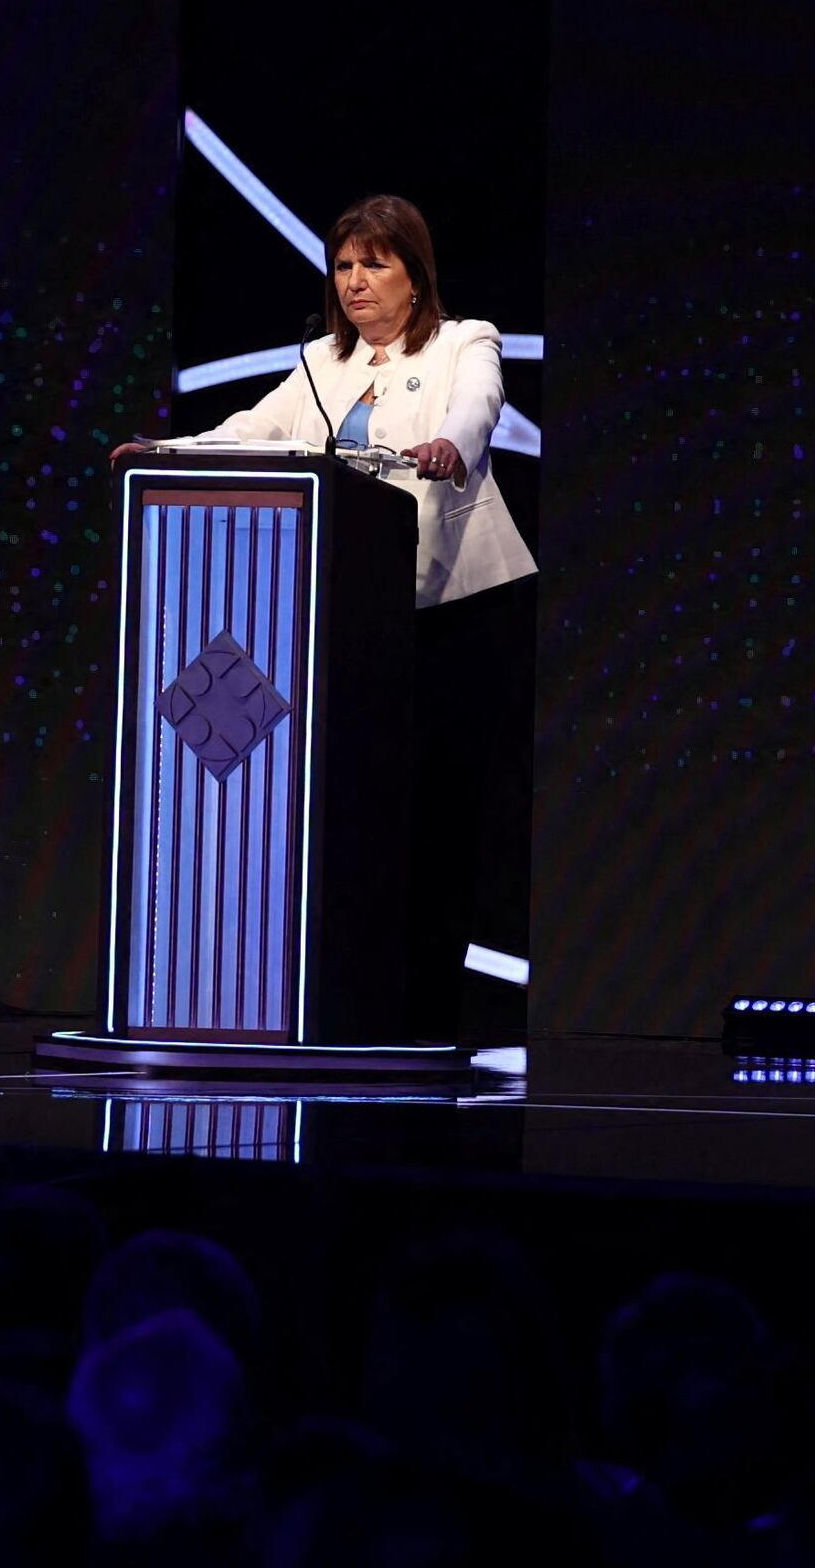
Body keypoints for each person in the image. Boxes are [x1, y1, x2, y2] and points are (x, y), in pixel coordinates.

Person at [116, 197, 536, 1044]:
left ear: (416, 279)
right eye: (344, 267)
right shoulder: (319, 364)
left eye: (375, 265)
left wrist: (452, 446)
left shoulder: (465, 343)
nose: (355, 283)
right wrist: (169, 452)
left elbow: (477, 410)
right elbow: (252, 431)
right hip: (353, 621)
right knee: (356, 815)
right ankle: (353, 1007)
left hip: (454, 614)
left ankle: (430, 1020)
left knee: (439, 814)